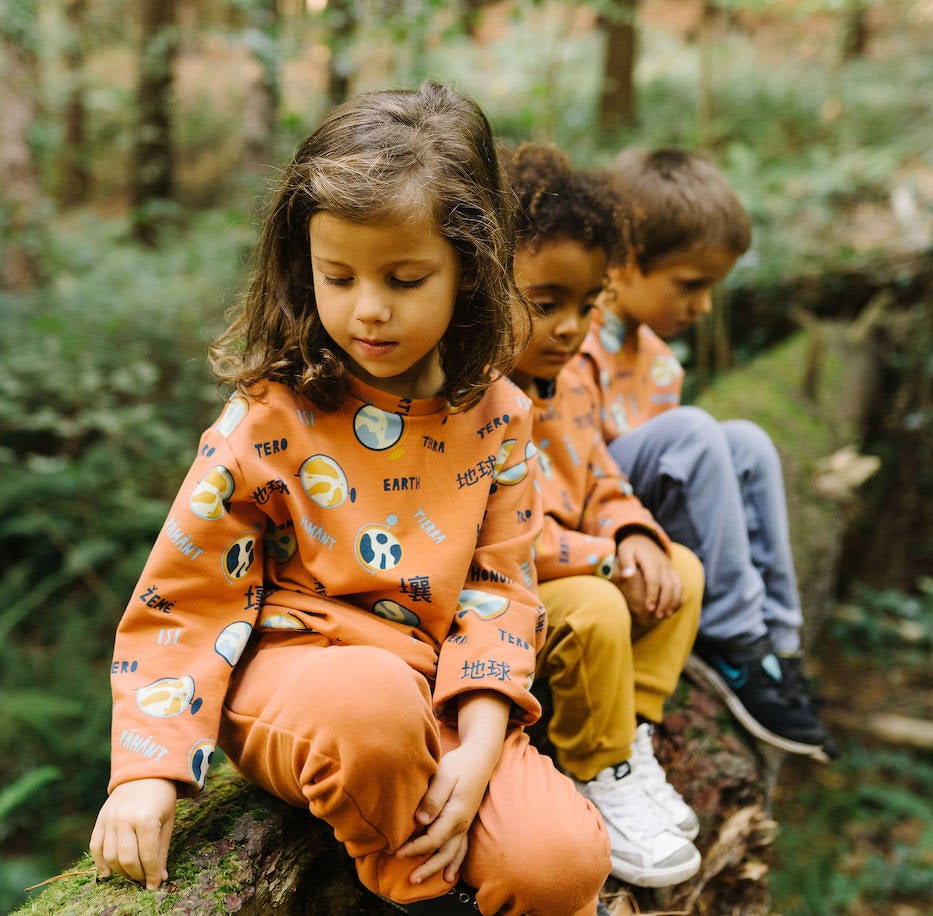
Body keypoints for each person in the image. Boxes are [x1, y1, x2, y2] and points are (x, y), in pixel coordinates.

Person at [89, 82, 611, 916]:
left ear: (470, 271)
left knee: (563, 864)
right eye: (338, 276)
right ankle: (419, 896)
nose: (368, 308)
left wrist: (479, 745)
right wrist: (147, 772)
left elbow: (502, 590)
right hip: (304, 681)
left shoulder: (502, 415)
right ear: (306, 267)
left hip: (440, 692)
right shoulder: (268, 420)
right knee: (367, 705)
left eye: (405, 278)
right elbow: (185, 598)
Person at [578, 147, 832, 759]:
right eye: (690, 285)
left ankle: (778, 642)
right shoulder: (570, 341)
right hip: (592, 517)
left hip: (646, 524)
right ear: (623, 263)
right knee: (695, 431)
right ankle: (735, 643)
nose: (705, 305)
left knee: (747, 440)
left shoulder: (659, 361)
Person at [502, 144, 704, 889]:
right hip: (507, 604)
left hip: (581, 561)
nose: (570, 328)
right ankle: (597, 768)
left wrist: (632, 532)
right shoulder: (472, 400)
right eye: (546, 302)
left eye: (586, 307)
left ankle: (632, 735)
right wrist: (604, 559)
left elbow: (601, 475)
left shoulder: (568, 387)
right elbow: (506, 539)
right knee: (592, 606)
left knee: (682, 567)